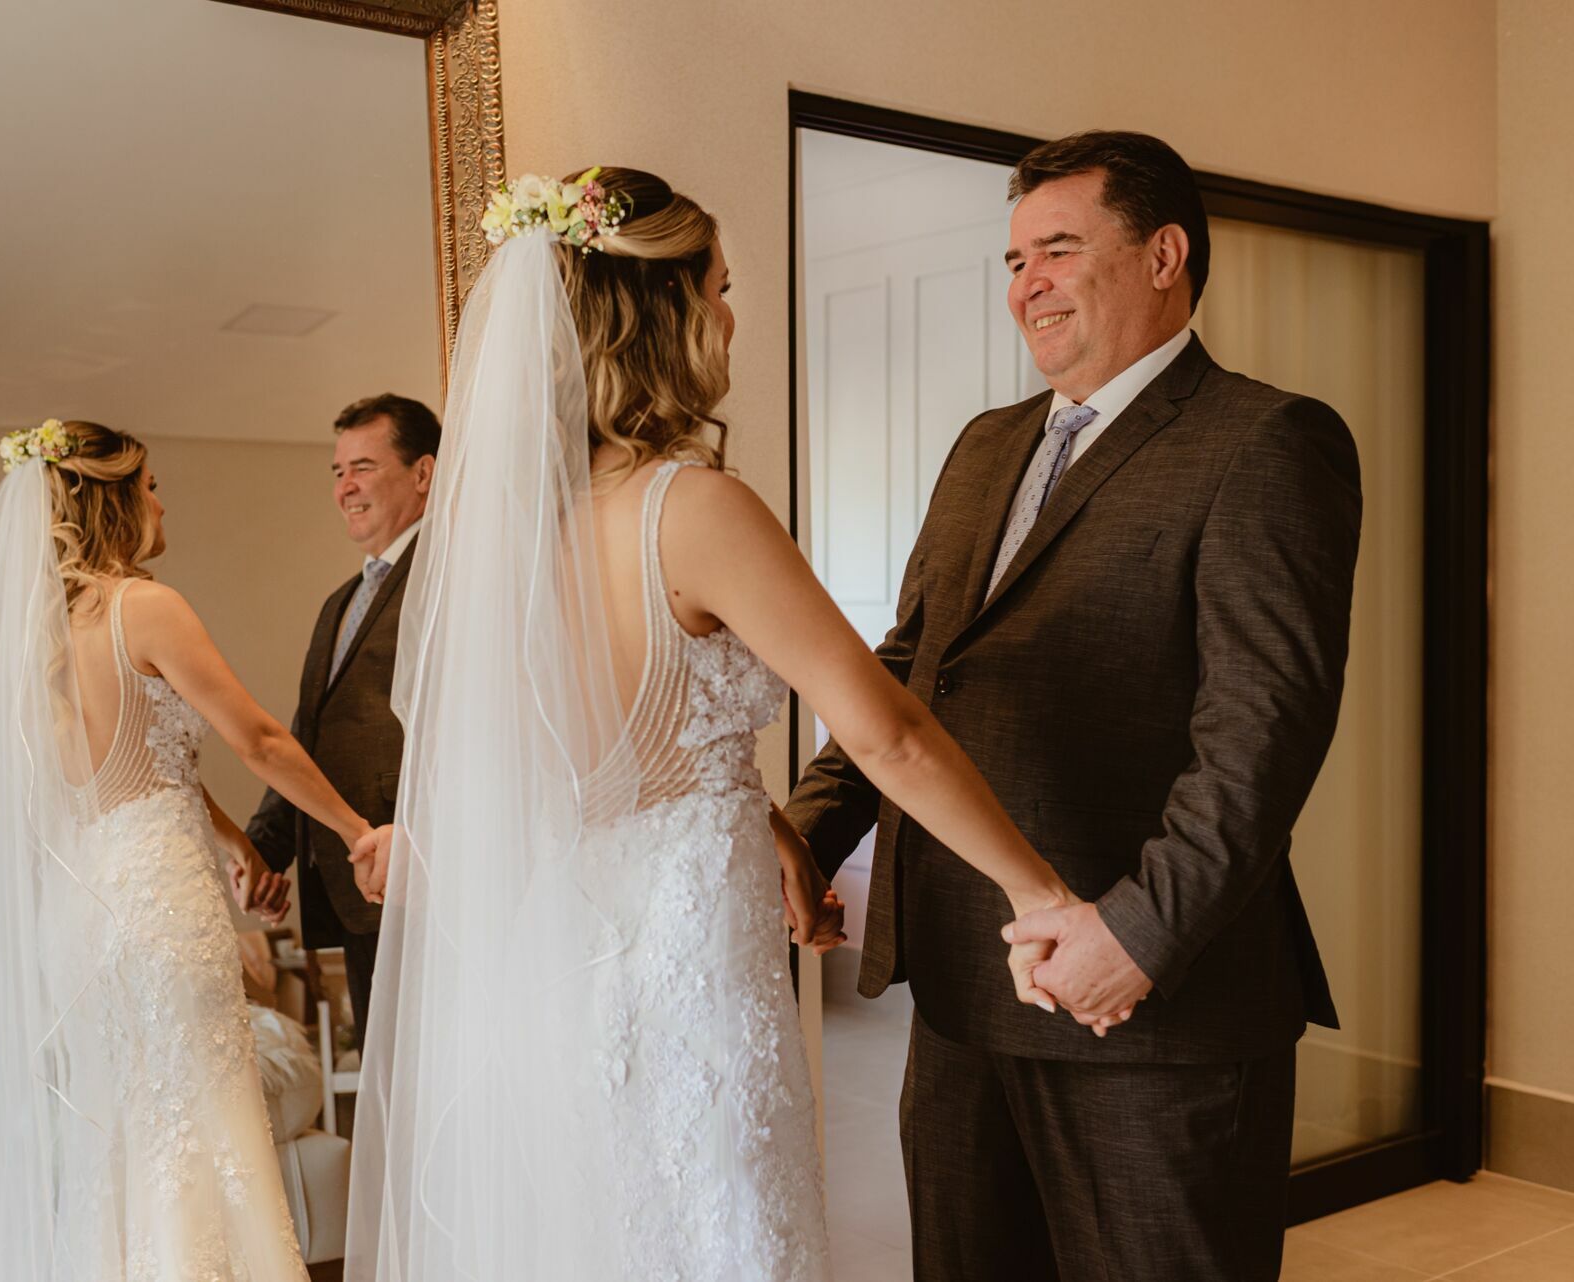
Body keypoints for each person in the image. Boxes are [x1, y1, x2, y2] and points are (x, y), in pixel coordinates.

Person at [345, 168, 1088, 1282]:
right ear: (664, 313)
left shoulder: (511, 541)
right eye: (720, 288)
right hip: (684, 975)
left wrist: (766, 819)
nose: (731, 316)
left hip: (563, 968)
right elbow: (886, 732)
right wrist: (1040, 893)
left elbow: (591, 761)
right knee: (712, 1219)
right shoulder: (691, 510)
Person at [787, 131, 1363, 1281]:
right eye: (1014, 261)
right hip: (963, 990)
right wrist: (809, 833)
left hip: (1152, 1010)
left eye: (1056, 250)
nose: (1027, 286)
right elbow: (910, 668)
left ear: (1164, 256)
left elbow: (1261, 734)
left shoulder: (1266, 439)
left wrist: (1135, 936)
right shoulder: (984, 445)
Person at [0, 419, 386, 1281]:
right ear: (110, 500)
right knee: (201, 1123)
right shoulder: (144, 607)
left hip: (83, 916)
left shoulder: (41, 639)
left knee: (127, 1138)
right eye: (148, 486)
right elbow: (258, 739)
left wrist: (234, 842)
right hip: (159, 912)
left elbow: (141, 770)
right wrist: (352, 829)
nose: (159, 503)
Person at [246, 394, 439, 1049]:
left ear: (423, 473)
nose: (345, 487)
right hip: (356, 887)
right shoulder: (341, 602)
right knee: (391, 1069)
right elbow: (311, 734)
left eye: (363, 467)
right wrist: (266, 848)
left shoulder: (449, 578)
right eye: (337, 472)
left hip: (419, 869)